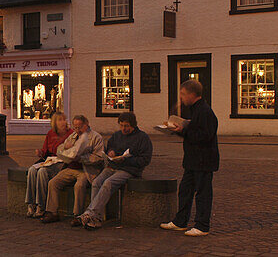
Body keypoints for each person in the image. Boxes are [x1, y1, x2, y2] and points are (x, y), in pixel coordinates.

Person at [161, 79, 220, 237]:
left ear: (193, 94)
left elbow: (205, 136)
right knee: (185, 190)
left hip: (203, 160)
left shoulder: (205, 111)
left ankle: (202, 225)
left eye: (183, 94)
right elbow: (195, 131)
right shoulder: (196, 110)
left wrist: (184, 131)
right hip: (193, 160)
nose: (181, 98)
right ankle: (180, 221)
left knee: (202, 193)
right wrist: (181, 129)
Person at [75, 112, 152, 229]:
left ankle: (90, 214)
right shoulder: (117, 135)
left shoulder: (142, 138)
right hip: (113, 166)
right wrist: (111, 152)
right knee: (96, 182)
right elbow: (110, 147)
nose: (123, 129)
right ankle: (96, 218)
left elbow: (145, 160)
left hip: (129, 170)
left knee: (108, 183)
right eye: (121, 125)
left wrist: (126, 160)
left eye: (126, 126)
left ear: (133, 125)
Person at [41, 114, 105, 224]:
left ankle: (77, 215)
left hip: (86, 170)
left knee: (79, 185)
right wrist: (66, 149)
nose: (77, 130)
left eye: (80, 127)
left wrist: (81, 158)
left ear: (86, 125)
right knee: (53, 183)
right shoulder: (73, 136)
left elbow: (99, 158)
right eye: (75, 127)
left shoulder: (95, 137)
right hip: (71, 167)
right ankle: (52, 212)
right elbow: (61, 150)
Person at [24, 112, 72, 218]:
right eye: (60, 120)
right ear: (54, 122)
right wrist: (40, 153)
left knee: (42, 172)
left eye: (64, 119)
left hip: (60, 161)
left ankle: (41, 205)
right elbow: (45, 151)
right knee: (32, 170)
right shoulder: (51, 133)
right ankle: (31, 203)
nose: (63, 122)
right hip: (49, 160)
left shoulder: (70, 134)